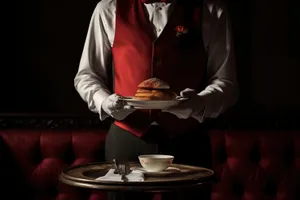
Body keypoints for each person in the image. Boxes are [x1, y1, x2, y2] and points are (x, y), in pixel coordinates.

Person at [74, 0, 238, 199]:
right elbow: (87, 76)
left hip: (188, 139)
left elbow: (226, 82)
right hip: (127, 138)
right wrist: (105, 102)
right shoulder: (108, 9)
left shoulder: (211, 11)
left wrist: (199, 103)